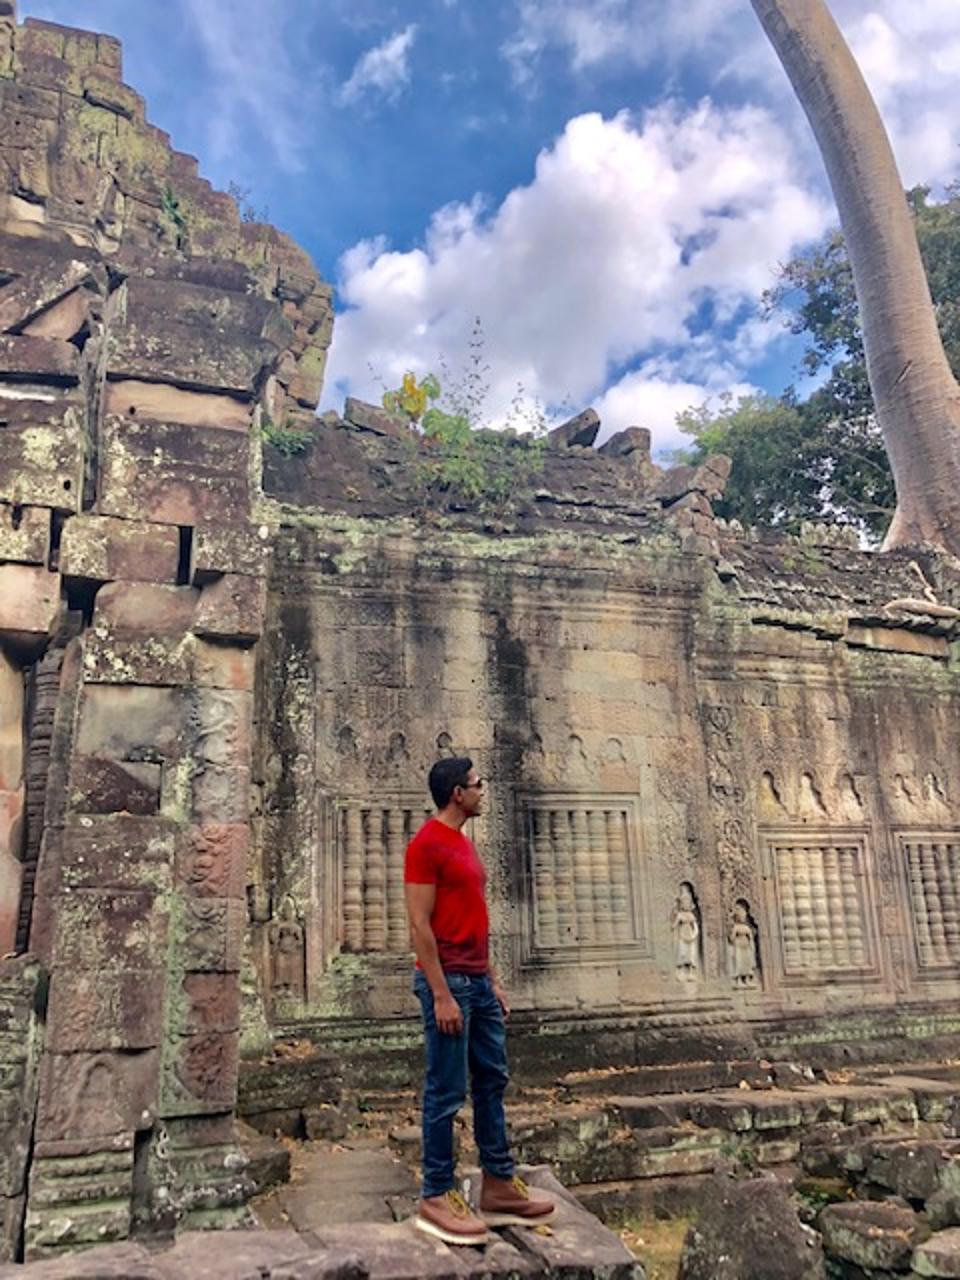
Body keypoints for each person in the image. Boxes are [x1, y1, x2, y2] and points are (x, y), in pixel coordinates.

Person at [404, 757, 554, 1246]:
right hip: (448, 984)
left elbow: (471, 916)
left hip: (477, 982)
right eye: (476, 784)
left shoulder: (463, 843)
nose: (482, 790)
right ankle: (435, 1194)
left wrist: (492, 980)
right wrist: (441, 994)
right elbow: (419, 925)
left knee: (492, 1079)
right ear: (457, 793)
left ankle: (497, 1183)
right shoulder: (427, 845)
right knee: (446, 1090)